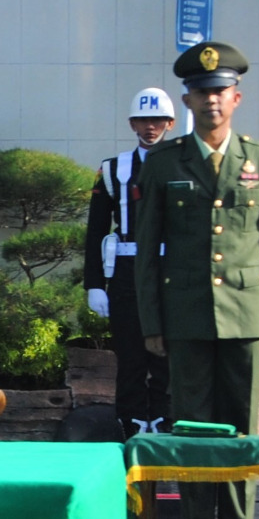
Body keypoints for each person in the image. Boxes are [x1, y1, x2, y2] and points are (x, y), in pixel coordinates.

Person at [135, 41, 259, 519]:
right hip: (184, 314)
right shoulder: (164, 164)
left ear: (237, 98)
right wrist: (152, 321)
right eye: (201, 93)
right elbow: (146, 252)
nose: (211, 102)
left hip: (247, 314)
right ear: (188, 99)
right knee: (191, 424)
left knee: (240, 425)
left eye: (220, 93)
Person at [84, 88, 176, 439]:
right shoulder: (112, 170)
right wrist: (94, 283)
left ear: (170, 123)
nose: (150, 127)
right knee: (130, 352)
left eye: (157, 120)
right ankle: (133, 420)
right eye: (142, 120)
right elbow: (95, 231)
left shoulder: (181, 164)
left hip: (170, 270)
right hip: (126, 271)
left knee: (166, 351)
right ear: (132, 123)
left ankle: (165, 419)